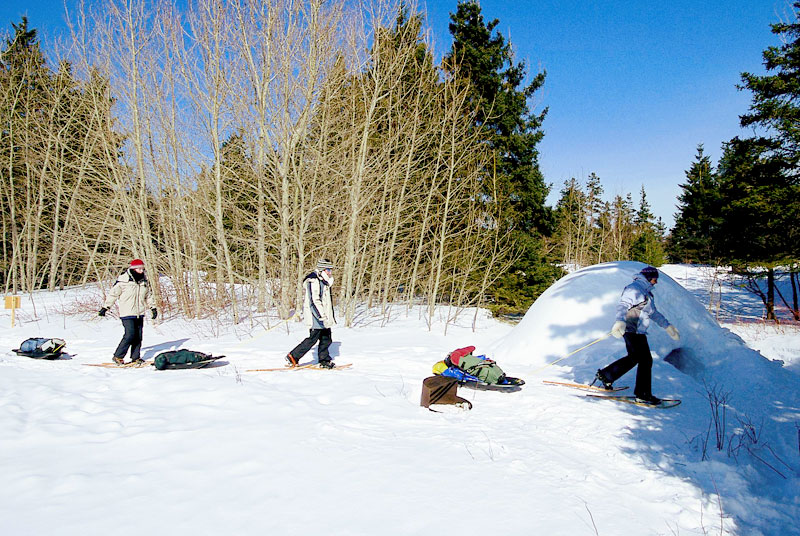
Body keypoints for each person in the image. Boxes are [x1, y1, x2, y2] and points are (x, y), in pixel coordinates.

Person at [594, 266, 680, 405]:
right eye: (654, 279)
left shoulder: (645, 292)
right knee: (645, 361)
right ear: (647, 277)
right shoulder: (634, 289)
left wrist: (667, 326)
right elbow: (623, 305)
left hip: (638, 331)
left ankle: (607, 375)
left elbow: (653, 313)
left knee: (635, 358)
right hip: (631, 330)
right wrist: (619, 321)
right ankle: (643, 394)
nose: (655, 282)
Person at [98, 259, 158, 366]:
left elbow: (148, 296)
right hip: (127, 312)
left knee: (138, 336)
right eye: (139, 268)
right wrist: (105, 307)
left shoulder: (144, 281)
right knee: (130, 334)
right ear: (133, 269)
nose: (141, 270)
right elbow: (113, 294)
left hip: (139, 312)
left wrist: (153, 308)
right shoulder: (123, 281)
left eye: (142, 268)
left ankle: (135, 357)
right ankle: (118, 356)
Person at [286, 259, 337, 369]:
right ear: (322, 270)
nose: (330, 272)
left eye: (330, 270)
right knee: (313, 338)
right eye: (328, 270)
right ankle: (293, 356)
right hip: (316, 315)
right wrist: (321, 315)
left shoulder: (324, 281)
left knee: (326, 338)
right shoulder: (314, 281)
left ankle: (324, 360)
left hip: (323, 316)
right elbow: (314, 300)